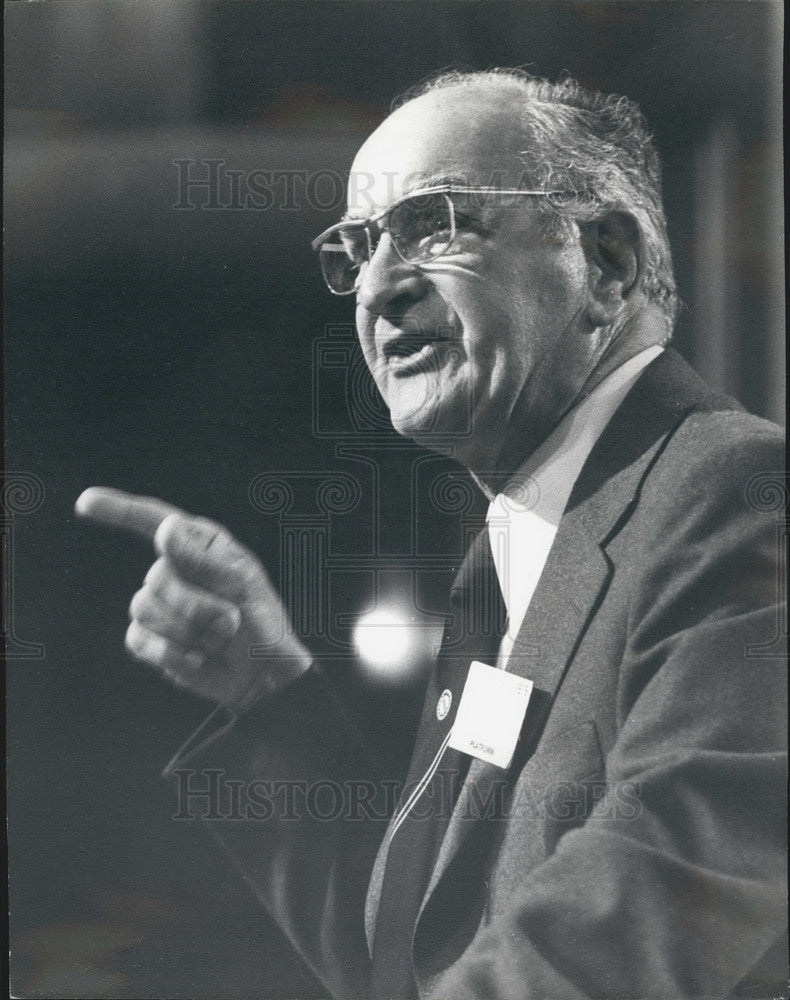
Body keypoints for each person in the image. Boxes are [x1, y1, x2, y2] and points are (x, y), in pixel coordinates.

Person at [75, 70, 786, 999]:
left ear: (605, 259)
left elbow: (659, 901)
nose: (378, 289)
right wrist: (270, 691)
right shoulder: (510, 549)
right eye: (359, 250)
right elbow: (416, 955)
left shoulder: (739, 492)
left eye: (434, 225)